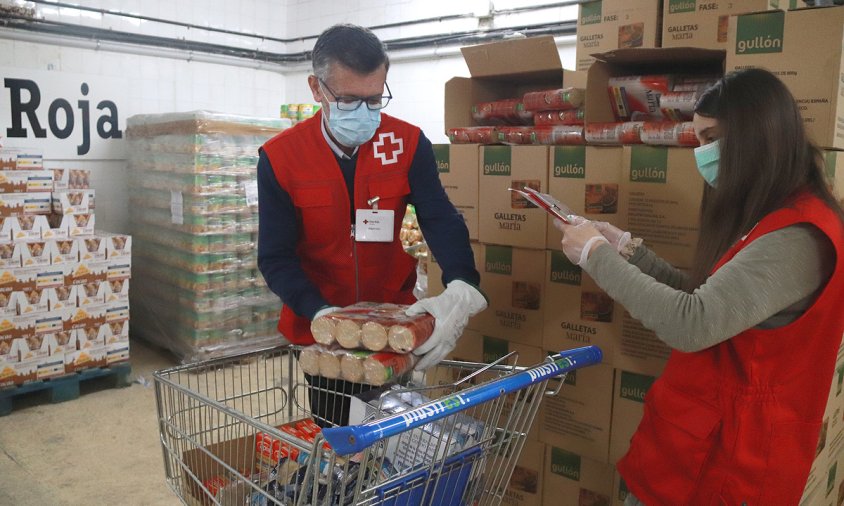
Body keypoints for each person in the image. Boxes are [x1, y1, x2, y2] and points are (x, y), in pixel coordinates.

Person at [554, 68, 844, 505]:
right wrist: (627, 250)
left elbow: (691, 323)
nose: (702, 154)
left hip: (727, 465)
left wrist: (596, 256)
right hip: (696, 446)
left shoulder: (797, 238)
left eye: (711, 138)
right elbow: (706, 298)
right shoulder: (770, 215)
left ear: (756, 134)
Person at [257, 24, 486, 426]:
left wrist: (463, 281)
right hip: (323, 327)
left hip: (393, 321)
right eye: (348, 100)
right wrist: (323, 313)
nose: (364, 113)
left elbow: (439, 217)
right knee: (340, 432)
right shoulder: (281, 158)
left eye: (374, 99)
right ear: (316, 89)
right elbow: (275, 258)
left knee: (400, 433)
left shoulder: (406, 143)